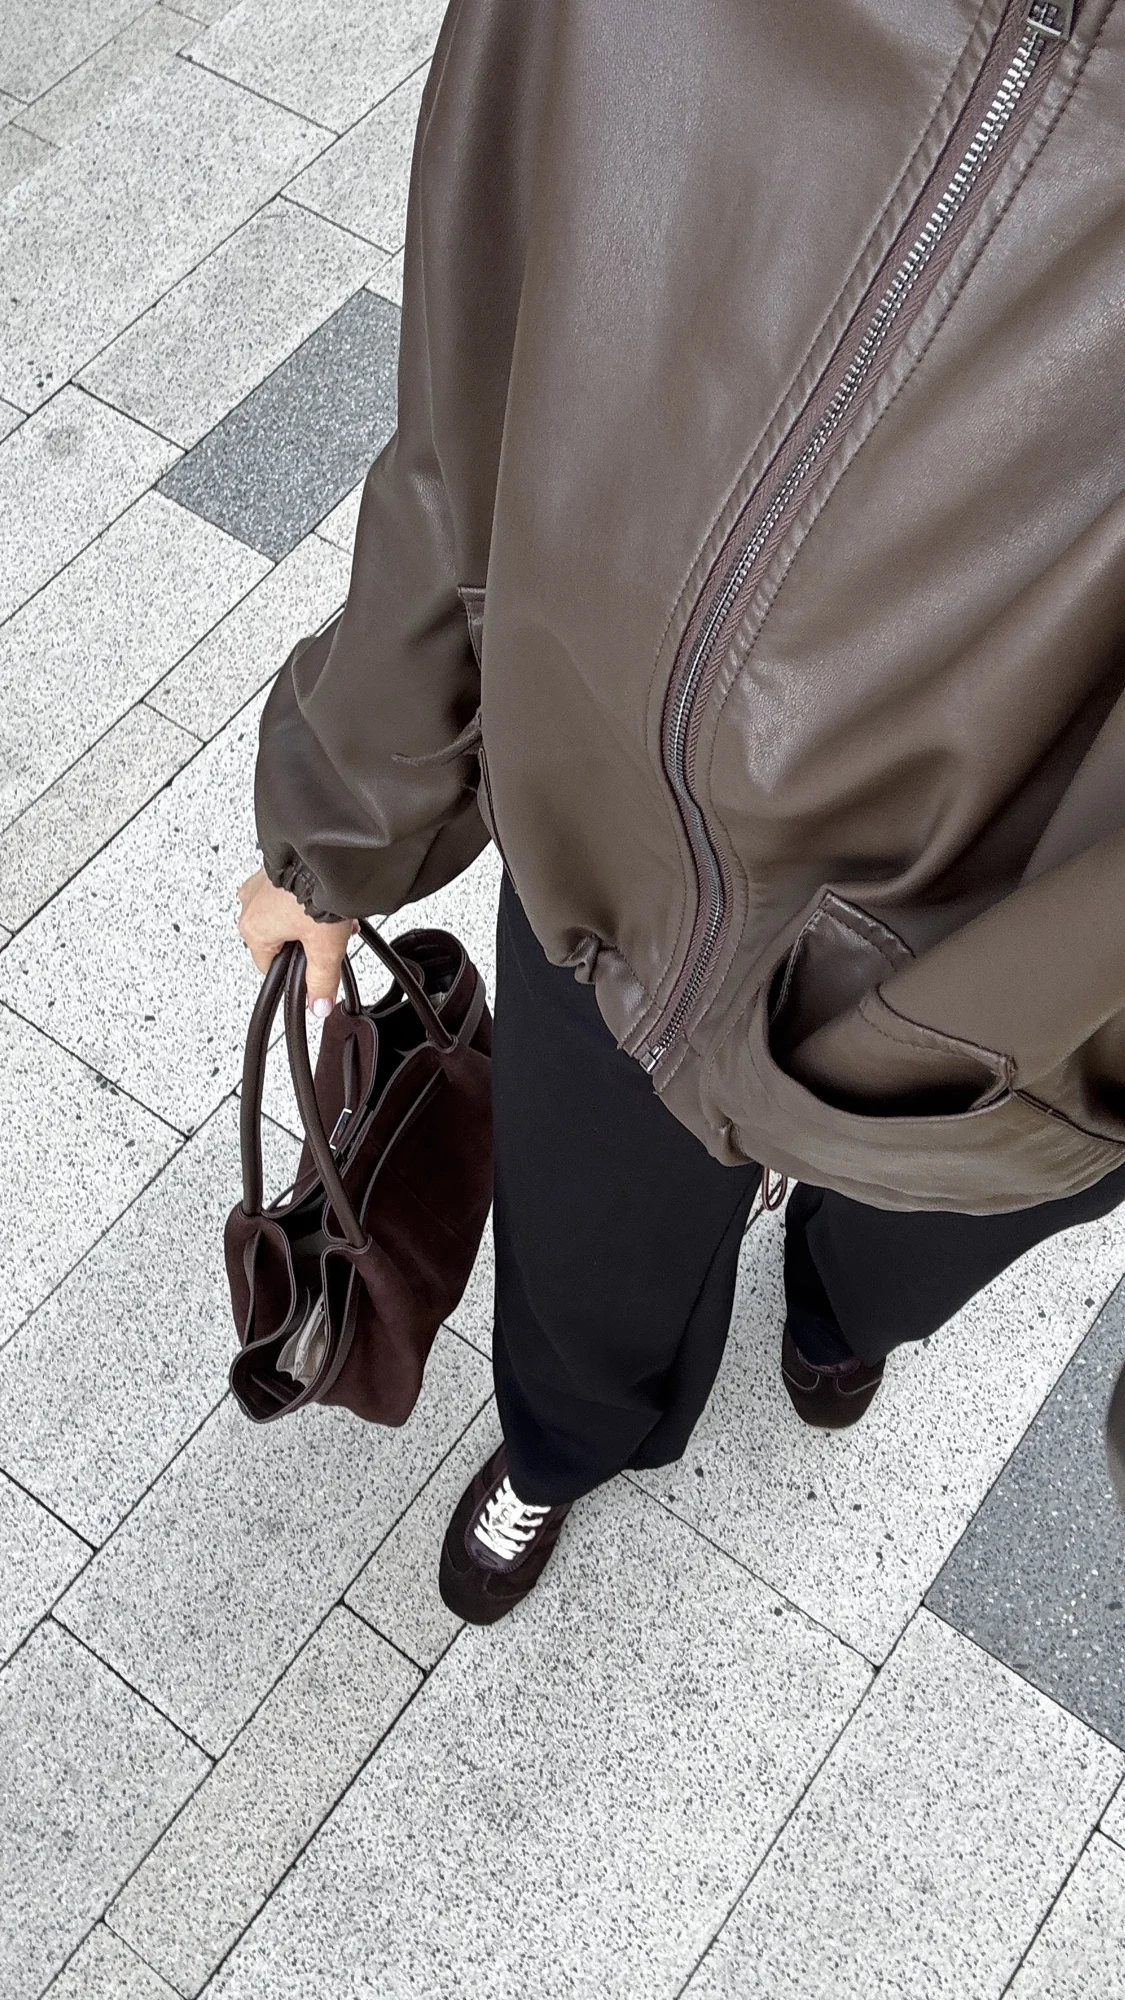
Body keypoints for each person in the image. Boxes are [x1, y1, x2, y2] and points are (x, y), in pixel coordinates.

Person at [238, 0, 1125, 1624]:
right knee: (584, 1272)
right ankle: (567, 1445)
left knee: (906, 1249)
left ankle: (842, 1316)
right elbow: (472, 376)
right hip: (612, 869)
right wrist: (346, 815)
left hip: (1016, 1025)